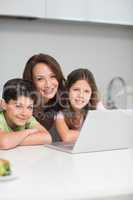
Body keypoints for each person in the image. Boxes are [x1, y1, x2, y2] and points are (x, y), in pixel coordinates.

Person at [23, 53, 66, 142]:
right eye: (40, 79)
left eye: (52, 76)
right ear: (31, 82)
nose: (48, 84)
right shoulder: (22, 106)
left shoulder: (64, 100)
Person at [55, 68, 105, 143]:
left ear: (91, 94)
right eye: (76, 90)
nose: (81, 95)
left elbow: (109, 127)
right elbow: (67, 137)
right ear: (67, 91)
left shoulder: (97, 106)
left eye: (86, 91)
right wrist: (96, 133)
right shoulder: (60, 113)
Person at [0, 78, 52, 150]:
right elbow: (4, 142)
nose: (24, 113)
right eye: (18, 106)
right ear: (3, 104)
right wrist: (28, 132)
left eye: (29, 107)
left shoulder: (27, 118)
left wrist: (13, 141)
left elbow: (47, 137)